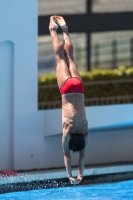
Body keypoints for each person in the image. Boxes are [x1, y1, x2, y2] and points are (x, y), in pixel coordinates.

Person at [49, 16, 89, 184]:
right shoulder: (68, 129)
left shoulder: (85, 129)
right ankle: (53, 29)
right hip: (66, 88)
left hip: (79, 87)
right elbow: (67, 156)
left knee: (70, 57)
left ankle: (65, 31)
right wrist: (71, 176)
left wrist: (80, 175)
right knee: (60, 57)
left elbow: (82, 156)